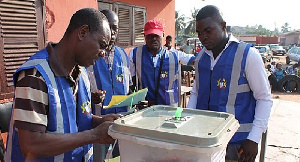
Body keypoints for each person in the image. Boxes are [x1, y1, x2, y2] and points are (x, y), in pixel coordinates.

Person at [4, 8, 121, 161]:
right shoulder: (36, 75)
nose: (103, 53)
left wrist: (99, 121)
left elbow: (72, 117)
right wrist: (95, 135)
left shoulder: (81, 71)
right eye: (101, 44)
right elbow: (32, 145)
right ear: (83, 32)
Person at [187, 5, 273, 161]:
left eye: (208, 30)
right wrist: (186, 123)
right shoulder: (201, 58)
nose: (203, 37)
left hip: (238, 143)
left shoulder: (247, 55)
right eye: (199, 33)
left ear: (223, 26)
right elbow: (196, 93)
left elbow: (264, 98)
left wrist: (253, 138)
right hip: (204, 141)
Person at [90, 9, 130, 161]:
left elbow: (128, 84)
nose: (112, 33)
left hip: (122, 121)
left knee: (120, 157)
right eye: (109, 27)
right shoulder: (89, 54)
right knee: (99, 158)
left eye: (115, 29)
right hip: (97, 123)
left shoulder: (123, 55)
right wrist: (90, 96)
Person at [129, 20, 195, 107]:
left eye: (157, 35)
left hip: (169, 108)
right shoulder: (135, 54)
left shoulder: (174, 55)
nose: (154, 39)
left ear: (163, 35)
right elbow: (131, 83)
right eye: (150, 36)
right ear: (144, 36)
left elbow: (196, 60)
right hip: (145, 109)